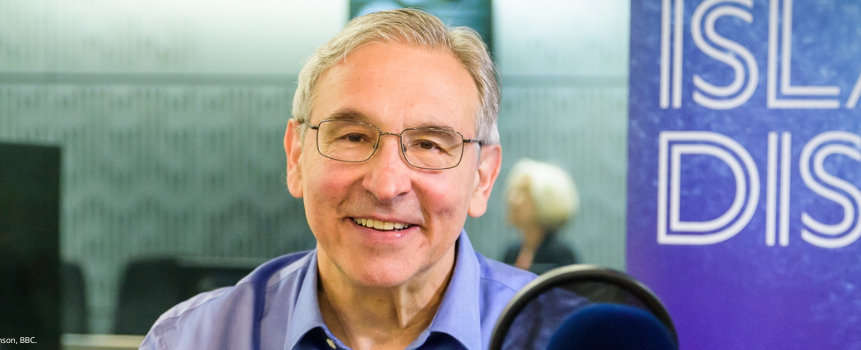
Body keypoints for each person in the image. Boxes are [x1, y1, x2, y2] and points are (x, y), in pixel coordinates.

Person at [140, 9, 536, 350]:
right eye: (353, 137)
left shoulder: (560, 334)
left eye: (429, 145)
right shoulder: (192, 339)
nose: (386, 185)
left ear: (482, 178)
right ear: (296, 157)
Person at [501, 159, 579, 274]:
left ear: (546, 200)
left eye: (523, 191)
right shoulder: (511, 254)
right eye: (512, 190)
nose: (511, 199)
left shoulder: (560, 256)